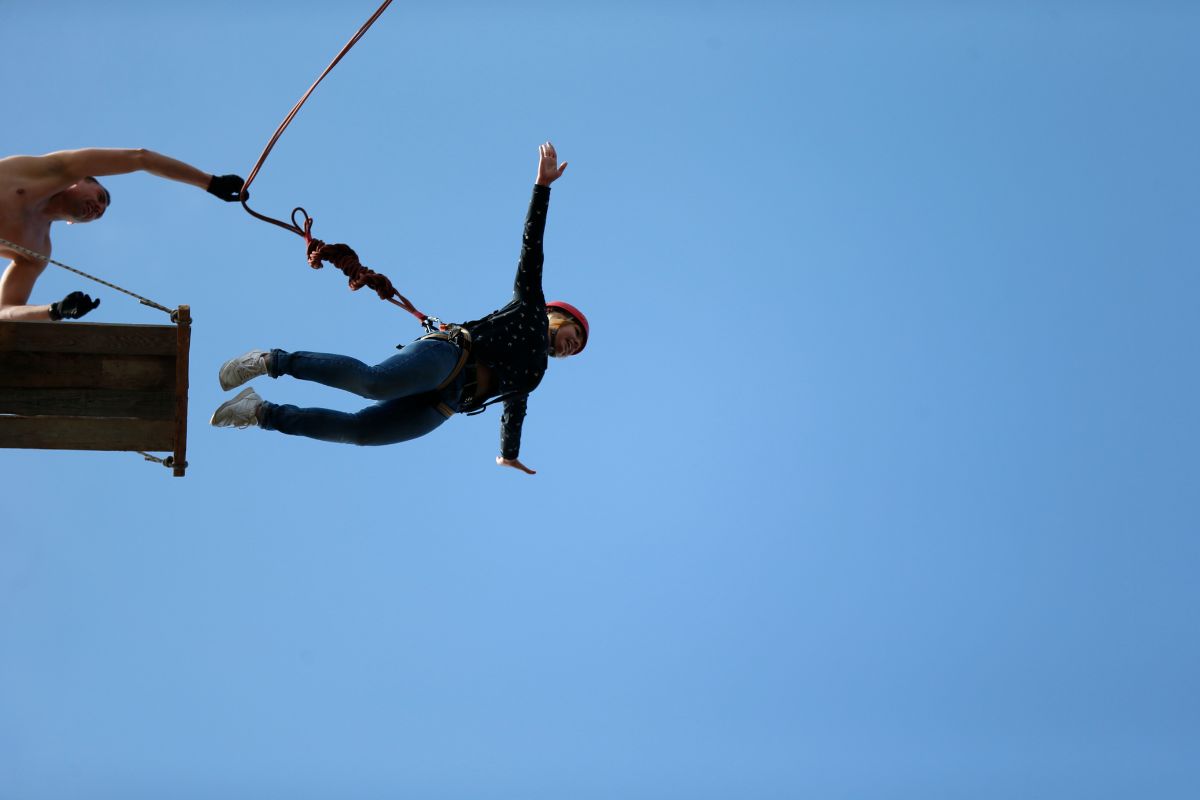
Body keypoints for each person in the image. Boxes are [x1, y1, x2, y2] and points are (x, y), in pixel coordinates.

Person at [210, 141, 587, 475]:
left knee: (359, 433)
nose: (574, 346)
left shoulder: (535, 373)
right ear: (561, 317)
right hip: (451, 355)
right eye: (576, 336)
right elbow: (531, 250)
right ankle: (269, 361)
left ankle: (260, 413)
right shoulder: (530, 310)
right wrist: (541, 188)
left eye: (577, 349)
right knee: (374, 383)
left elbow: (513, 411)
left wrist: (509, 454)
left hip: (447, 403)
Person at [0, 148, 245, 321]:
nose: (97, 208)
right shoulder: (47, 170)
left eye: (99, 213)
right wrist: (210, 182)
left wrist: (55, 310)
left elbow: (6, 309)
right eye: (100, 197)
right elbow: (140, 158)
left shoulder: (38, 249)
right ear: (80, 179)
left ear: (71, 223)